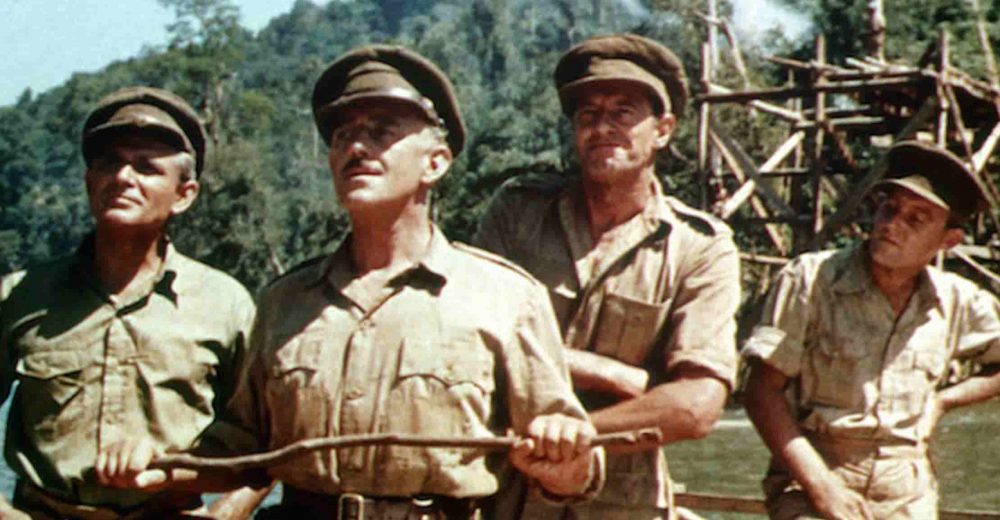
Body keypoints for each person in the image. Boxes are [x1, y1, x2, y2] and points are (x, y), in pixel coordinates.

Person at [97, 45, 604, 519]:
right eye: (343, 136)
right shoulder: (285, 302)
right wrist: (161, 466)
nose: (356, 147)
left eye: (381, 131)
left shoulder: (504, 297)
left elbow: (574, 468)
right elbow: (242, 449)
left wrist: (565, 459)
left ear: (435, 162)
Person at [476, 33, 741, 518]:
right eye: (588, 115)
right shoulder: (518, 214)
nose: (602, 128)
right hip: (500, 494)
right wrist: (613, 373)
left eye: (622, 113)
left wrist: (570, 435)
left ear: (662, 130)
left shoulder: (700, 247)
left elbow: (697, 405)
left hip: (623, 503)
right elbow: (473, 343)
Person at [0, 86, 256, 518]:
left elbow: (261, 441)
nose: (122, 177)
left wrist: (226, 513)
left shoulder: (225, 305)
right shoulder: (20, 296)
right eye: (109, 163)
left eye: (146, 167)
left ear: (184, 194)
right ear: (90, 182)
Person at [742, 140, 1000, 520]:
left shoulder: (958, 301)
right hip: (816, 474)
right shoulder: (811, 280)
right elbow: (761, 391)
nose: (892, 224)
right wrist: (823, 488)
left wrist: (943, 401)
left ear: (948, 241)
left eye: (916, 219)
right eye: (889, 208)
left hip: (907, 489)